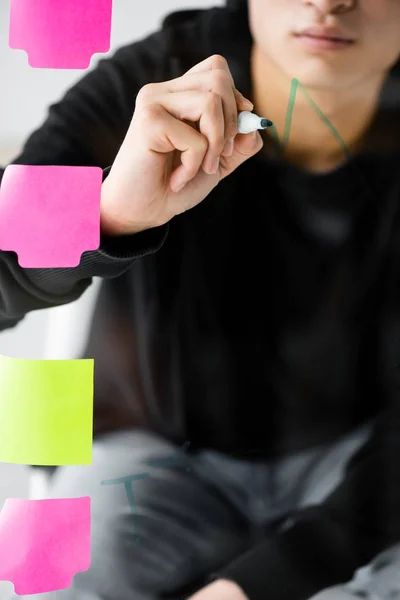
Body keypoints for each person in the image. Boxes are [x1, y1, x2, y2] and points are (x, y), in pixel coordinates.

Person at [1, 0, 400, 599]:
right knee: (63, 573)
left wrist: (256, 583)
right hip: (152, 445)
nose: (328, 2)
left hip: (364, 458)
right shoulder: (154, 80)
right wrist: (112, 215)